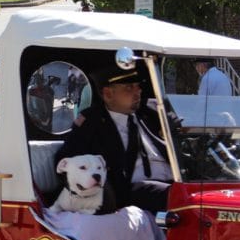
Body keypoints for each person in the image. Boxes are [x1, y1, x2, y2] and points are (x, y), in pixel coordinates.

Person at [54, 64, 174, 215]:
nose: (138, 92)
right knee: (179, 197)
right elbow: (66, 159)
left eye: (138, 86)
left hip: (175, 181)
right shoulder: (91, 122)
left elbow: (183, 138)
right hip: (128, 189)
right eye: (129, 88)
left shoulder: (152, 111)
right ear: (108, 94)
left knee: (199, 194)